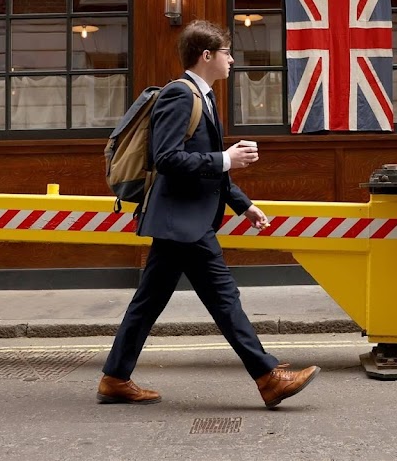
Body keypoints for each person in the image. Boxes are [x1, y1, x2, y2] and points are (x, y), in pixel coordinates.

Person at [97, 20, 320, 409]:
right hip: (184, 222)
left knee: (148, 303)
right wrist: (225, 158)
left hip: (182, 220)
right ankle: (269, 378)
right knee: (224, 299)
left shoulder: (205, 97)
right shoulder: (180, 96)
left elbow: (208, 170)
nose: (232, 59)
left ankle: (115, 378)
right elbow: (165, 159)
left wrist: (243, 204)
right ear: (207, 56)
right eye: (226, 53)